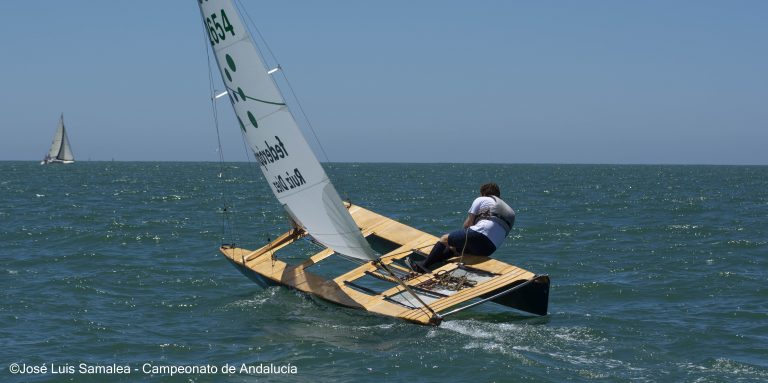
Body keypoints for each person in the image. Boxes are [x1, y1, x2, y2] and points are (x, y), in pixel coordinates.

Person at [409, 183, 515, 273]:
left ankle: (423, 266)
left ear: (483, 193)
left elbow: (467, 225)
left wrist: (456, 239)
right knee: (456, 250)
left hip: (482, 234)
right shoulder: (508, 209)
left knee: (445, 239)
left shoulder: (482, 199)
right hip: (490, 248)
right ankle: (435, 263)